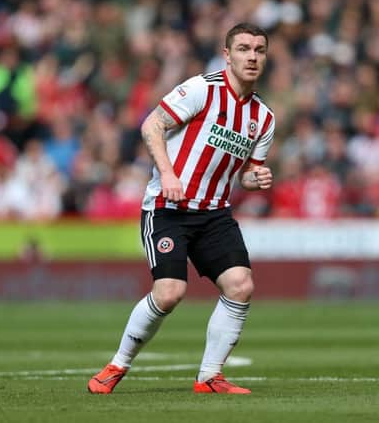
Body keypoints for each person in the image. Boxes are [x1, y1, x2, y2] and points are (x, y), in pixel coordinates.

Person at [87, 23, 275, 395]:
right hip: (168, 206)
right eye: (243, 48)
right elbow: (151, 125)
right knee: (170, 292)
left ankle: (209, 378)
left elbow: (247, 176)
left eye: (259, 50)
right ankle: (116, 366)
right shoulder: (202, 89)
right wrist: (169, 174)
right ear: (227, 55)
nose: (251, 56)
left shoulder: (263, 118)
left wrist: (258, 179)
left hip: (215, 213)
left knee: (241, 286)